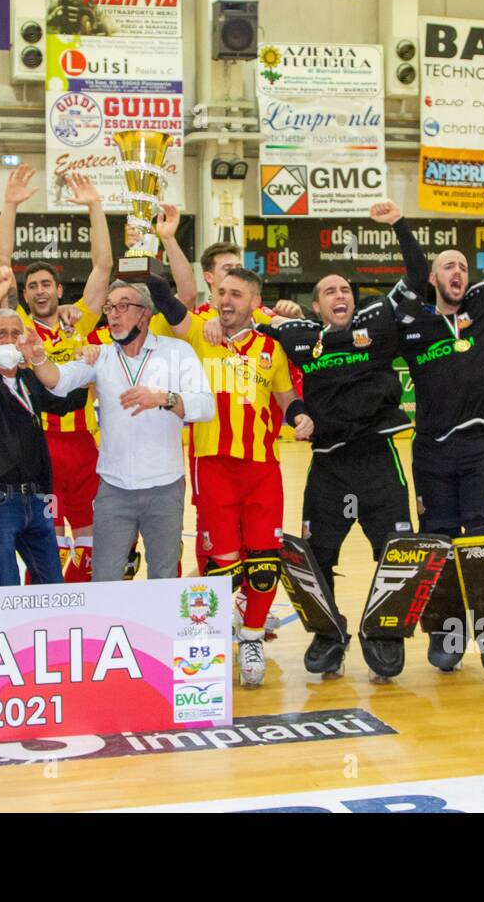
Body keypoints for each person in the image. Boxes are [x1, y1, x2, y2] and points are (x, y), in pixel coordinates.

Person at [384, 181, 484, 670]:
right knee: (441, 545)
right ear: (432, 277)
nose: (459, 271)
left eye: (464, 267)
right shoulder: (411, 322)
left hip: (482, 446)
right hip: (431, 451)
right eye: (449, 265)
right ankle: (446, 632)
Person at [243, 270, 415, 676]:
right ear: (316, 306)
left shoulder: (374, 332)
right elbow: (247, 315)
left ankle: (385, 632)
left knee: (398, 550)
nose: (340, 295)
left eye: (345, 290)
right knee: (315, 557)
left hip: (378, 458)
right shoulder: (303, 339)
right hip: (328, 465)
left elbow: (415, 281)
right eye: (329, 291)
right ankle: (328, 633)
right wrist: (275, 314)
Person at [151, 269, 311, 687]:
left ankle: (253, 636)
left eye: (236, 294)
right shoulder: (200, 335)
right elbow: (168, 305)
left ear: (255, 301)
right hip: (213, 465)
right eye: (221, 292)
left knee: (263, 560)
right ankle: (213, 638)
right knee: (220, 563)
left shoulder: (271, 349)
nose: (225, 300)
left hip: (262, 468)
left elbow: (285, 397)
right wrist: (155, 246)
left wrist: (301, 416)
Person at [27, 280, 215, 582]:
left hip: (165, 487)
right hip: (113, 488)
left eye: (122, 306)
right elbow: (57, 380)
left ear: (144, 314)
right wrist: (37, 356)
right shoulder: (100, 355)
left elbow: (206, 406)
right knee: (105, 577)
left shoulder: (177, 351)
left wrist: (164, 398)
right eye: (109, 307)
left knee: (164, 575)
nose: (113, 314)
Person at [0, 166, 115, 582]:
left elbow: (103, 265)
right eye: (32, 286)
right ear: (24, 295)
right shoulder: (19, 327)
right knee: (45, 542)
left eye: (47, 284)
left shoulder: (78, 322)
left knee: (88, 544)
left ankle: (86, 614)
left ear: (60, 290)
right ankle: (44, 619)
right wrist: (9, 205)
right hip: (37, 444)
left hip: (83, 444)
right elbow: (2, 265)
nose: (40, 290)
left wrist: (95, 206)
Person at [0, 270, 90, 584]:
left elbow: (69, 400)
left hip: (37, 498)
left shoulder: (29, 378)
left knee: (52, 587)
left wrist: (83, 354)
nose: (8, 340)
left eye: (13, 333)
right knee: (5, 587)